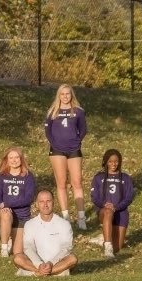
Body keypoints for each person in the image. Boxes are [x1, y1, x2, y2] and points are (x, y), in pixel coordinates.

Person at [44, 84, 87, 230]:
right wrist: (55, 143)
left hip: (74, 149)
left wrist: (76, 141)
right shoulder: (52, 112)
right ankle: (66, 218)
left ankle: (81, 217)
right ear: (59, 95)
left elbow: (83, 129)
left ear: (71, 95)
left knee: (77, 182)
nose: (65, 96)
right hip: (57, 151)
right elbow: (48, 131)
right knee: (61, 183)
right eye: (62, 94)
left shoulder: (78, 111)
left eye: (68, 94)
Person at [13, 190, 77, 277]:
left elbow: (66, 248)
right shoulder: (30, 224)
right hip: (36, 263)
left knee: (72, 259)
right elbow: (28, 247)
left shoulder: (64, 224)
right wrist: (39, 264)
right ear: (37, 204)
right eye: (41, 202)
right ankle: (47, 272)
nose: (45, 205)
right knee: (18, 258)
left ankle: (38, 273)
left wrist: (51, 263)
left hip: (57, 263)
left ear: (53, 202)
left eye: (48, 201)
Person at [90, 149, 135, 258]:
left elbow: (129, 198)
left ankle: (104, 239)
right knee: (108, 212)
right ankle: (107, 246)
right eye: (110, 161)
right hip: (104, 211)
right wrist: (104, 205)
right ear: (105, 162)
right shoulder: (98, 177)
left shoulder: (126, 178)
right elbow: (94, 197)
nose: (113, 164)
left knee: (118, 248)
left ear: (119, 162)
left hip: (121, 212)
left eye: (116, 161)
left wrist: (116, 207)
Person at [0, 146, 37, 258]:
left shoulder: (28, 176)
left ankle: (11, 239)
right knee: (6, 214)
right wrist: (2, 205)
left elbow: (29, 198)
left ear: (21, 159)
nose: (14, 160)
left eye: (17, 157)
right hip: (5, 213)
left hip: (22, 216)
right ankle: (4, 248)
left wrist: (8, 204)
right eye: (11, 158)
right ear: (7, 160)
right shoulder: (2, 176)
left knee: (17, 252)